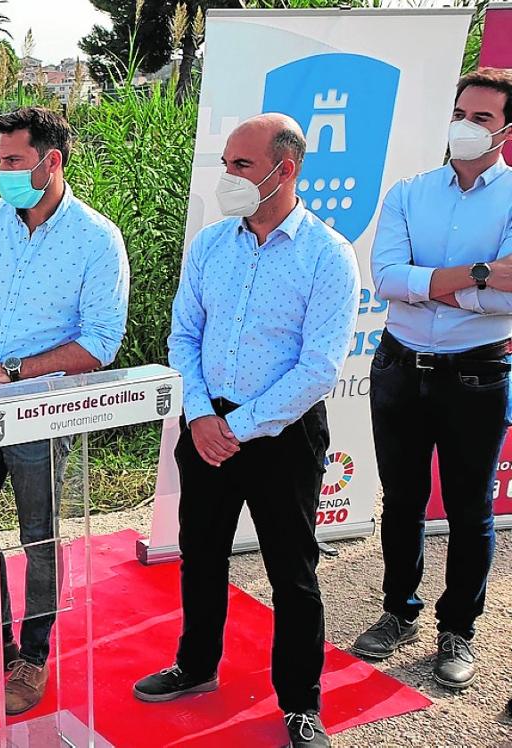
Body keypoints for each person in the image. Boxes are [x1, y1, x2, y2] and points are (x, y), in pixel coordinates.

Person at [132, 114, 359, 748]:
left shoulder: (328, 255)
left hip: (283, 435)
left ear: (285, 170)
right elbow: (184, 335)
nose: (227, 175)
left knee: (292, 572)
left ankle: (301, 704)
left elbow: (319, 367)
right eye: (226, 163)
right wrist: (201, 415)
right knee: (200, 553)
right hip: (206, 423)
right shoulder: (210, 244)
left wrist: (235, 426)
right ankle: (196, 665)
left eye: (241, 165)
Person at [0, 107, 130, 715]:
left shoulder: (96, 239)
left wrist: (11, 371)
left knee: (39, 533)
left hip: (41, 413)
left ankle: (33, 656)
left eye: (14, 161)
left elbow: (100, 341)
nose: (4, 173)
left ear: (52, 161)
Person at [353, 68, 512, 693]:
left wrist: (429, 285)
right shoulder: (410, 192)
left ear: (505, 131)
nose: (464, 127)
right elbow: (387, 279)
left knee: (470, 508)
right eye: (460, 114)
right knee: (402, 501)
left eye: (481, 119)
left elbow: (510, 298)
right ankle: (399, 611)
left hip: (477, 372)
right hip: (400, 365)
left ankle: (458, 629)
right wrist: (479, 274)